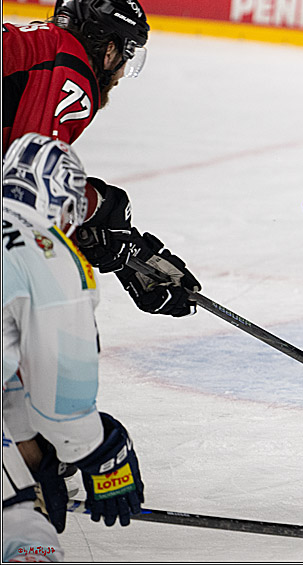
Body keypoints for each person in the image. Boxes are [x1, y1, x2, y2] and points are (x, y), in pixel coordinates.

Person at [3, 0, 200, 317]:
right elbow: (29, 194)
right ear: (109, 48)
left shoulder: (36, 46)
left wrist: (98, 217)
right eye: (126, 53)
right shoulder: (70, 69)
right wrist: (104, 221)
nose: (121, 73)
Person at [3, 134, 145, 562]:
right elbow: (60, 391)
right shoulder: (44, 250)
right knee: (24, 532)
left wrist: (28, 450)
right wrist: (96, 450)